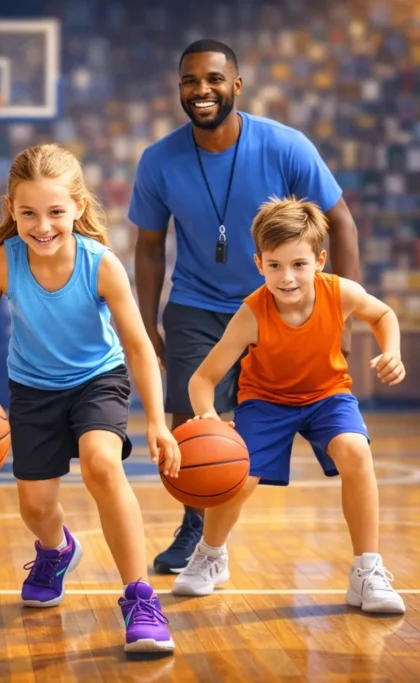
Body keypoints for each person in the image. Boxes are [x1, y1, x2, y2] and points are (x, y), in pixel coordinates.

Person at [0, 143, 179, 653]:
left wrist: (157, 420)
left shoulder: (101, 264)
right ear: (11, 212)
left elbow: (137, 345)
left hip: (97, 380)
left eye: (55, 212)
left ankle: (140, 597)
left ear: (79, 209)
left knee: (101, 465)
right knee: (37, 506)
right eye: (28, 213)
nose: (42, 225)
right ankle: (56, 550)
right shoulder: (4, 262)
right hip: (33, 388)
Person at [128, 38, 361, 574]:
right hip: (195, 303)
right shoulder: (159, 160)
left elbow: (341, 222)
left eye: (213, 79)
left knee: (319, 416)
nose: (201, 90)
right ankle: (195, 531)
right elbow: (147, 245)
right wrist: (145, 321)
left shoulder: (285, 146)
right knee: (190, 421)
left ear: (236, 85)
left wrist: (340, 311)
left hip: (279, 304)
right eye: (190, 81)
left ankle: (361, 556)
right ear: (180, 89)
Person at [173, 196, 405, 614]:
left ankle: (367, 572)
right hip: (266, 401)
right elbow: (202, 378)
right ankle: (211, 555)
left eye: (298, 264)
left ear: (319, 261)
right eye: (275, 265)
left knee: (356, 452)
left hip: (327, 394)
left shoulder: (340, 292)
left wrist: (393, 351)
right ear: (259, 263)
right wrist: (207, 415)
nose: (287, 277)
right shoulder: (251, 314)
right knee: (236, 476)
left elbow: (383, 313)